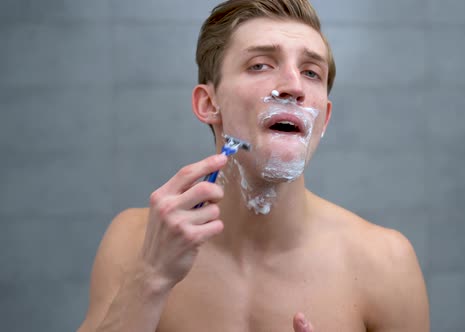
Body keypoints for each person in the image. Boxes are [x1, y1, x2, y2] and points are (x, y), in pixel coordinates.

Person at [77, 0, 429, 331]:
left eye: (310, 72)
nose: (293, 86)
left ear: (324, 119)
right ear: (208, 103)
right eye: (260, 64)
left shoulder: (386, 263)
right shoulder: (135, 242)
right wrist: (149, 278)